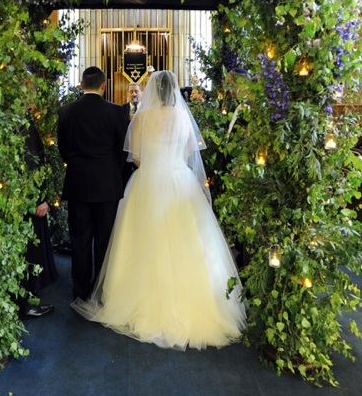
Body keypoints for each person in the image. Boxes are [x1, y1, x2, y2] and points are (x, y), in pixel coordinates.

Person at [72, 70, 246, 350]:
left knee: (142, 240)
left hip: (148, 181)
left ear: (152, 90)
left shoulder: (141, 117)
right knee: (188, 241)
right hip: (180, 181)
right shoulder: (182, 117)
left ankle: (132, 298)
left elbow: (136, 157)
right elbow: (190, 151)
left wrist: (155, 164)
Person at [57, 66, 127, 301]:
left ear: (81, 84)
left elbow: (63, 150)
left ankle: (80, 291)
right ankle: (104, 290)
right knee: (106, 241)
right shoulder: (116, 112)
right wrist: (110, 171)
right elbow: (121, 151)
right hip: (107, 185)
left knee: (79, 239)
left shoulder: (66, 111)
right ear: (104, 85)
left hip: (78, 184)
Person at [19, 117, 59, 319]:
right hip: (28, 199)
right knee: (30, 250)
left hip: (16, 197)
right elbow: (31, 161)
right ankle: (26, 302)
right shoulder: (22, 123)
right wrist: (39, 199)